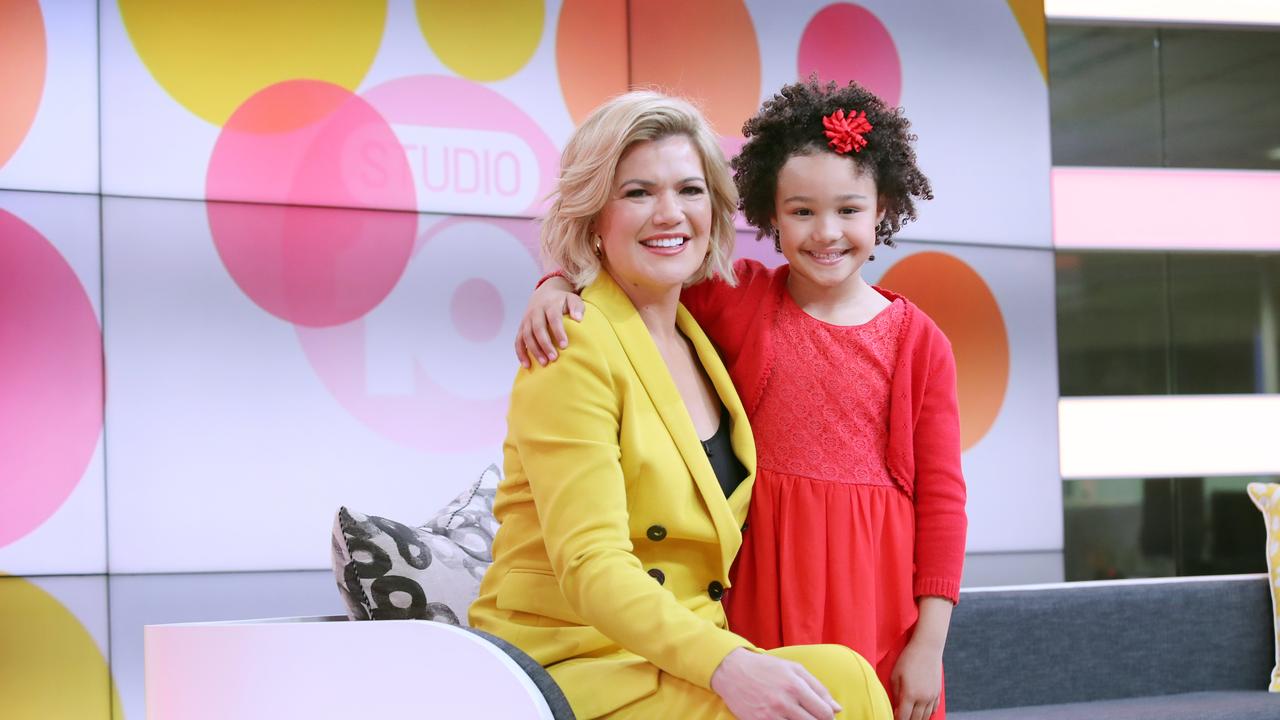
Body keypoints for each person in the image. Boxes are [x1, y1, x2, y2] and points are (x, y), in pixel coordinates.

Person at [515, 79, 967, 720]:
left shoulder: (917, 342)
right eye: (802, 211)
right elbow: (624, 272)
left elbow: (944, 500)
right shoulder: (736, 301)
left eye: (849, 210)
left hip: (875, 581)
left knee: (858, 688)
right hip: (758, 582)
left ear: (884, 208)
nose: (826, 232)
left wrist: (930, 641)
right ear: (769, 215)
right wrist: (556, 282)